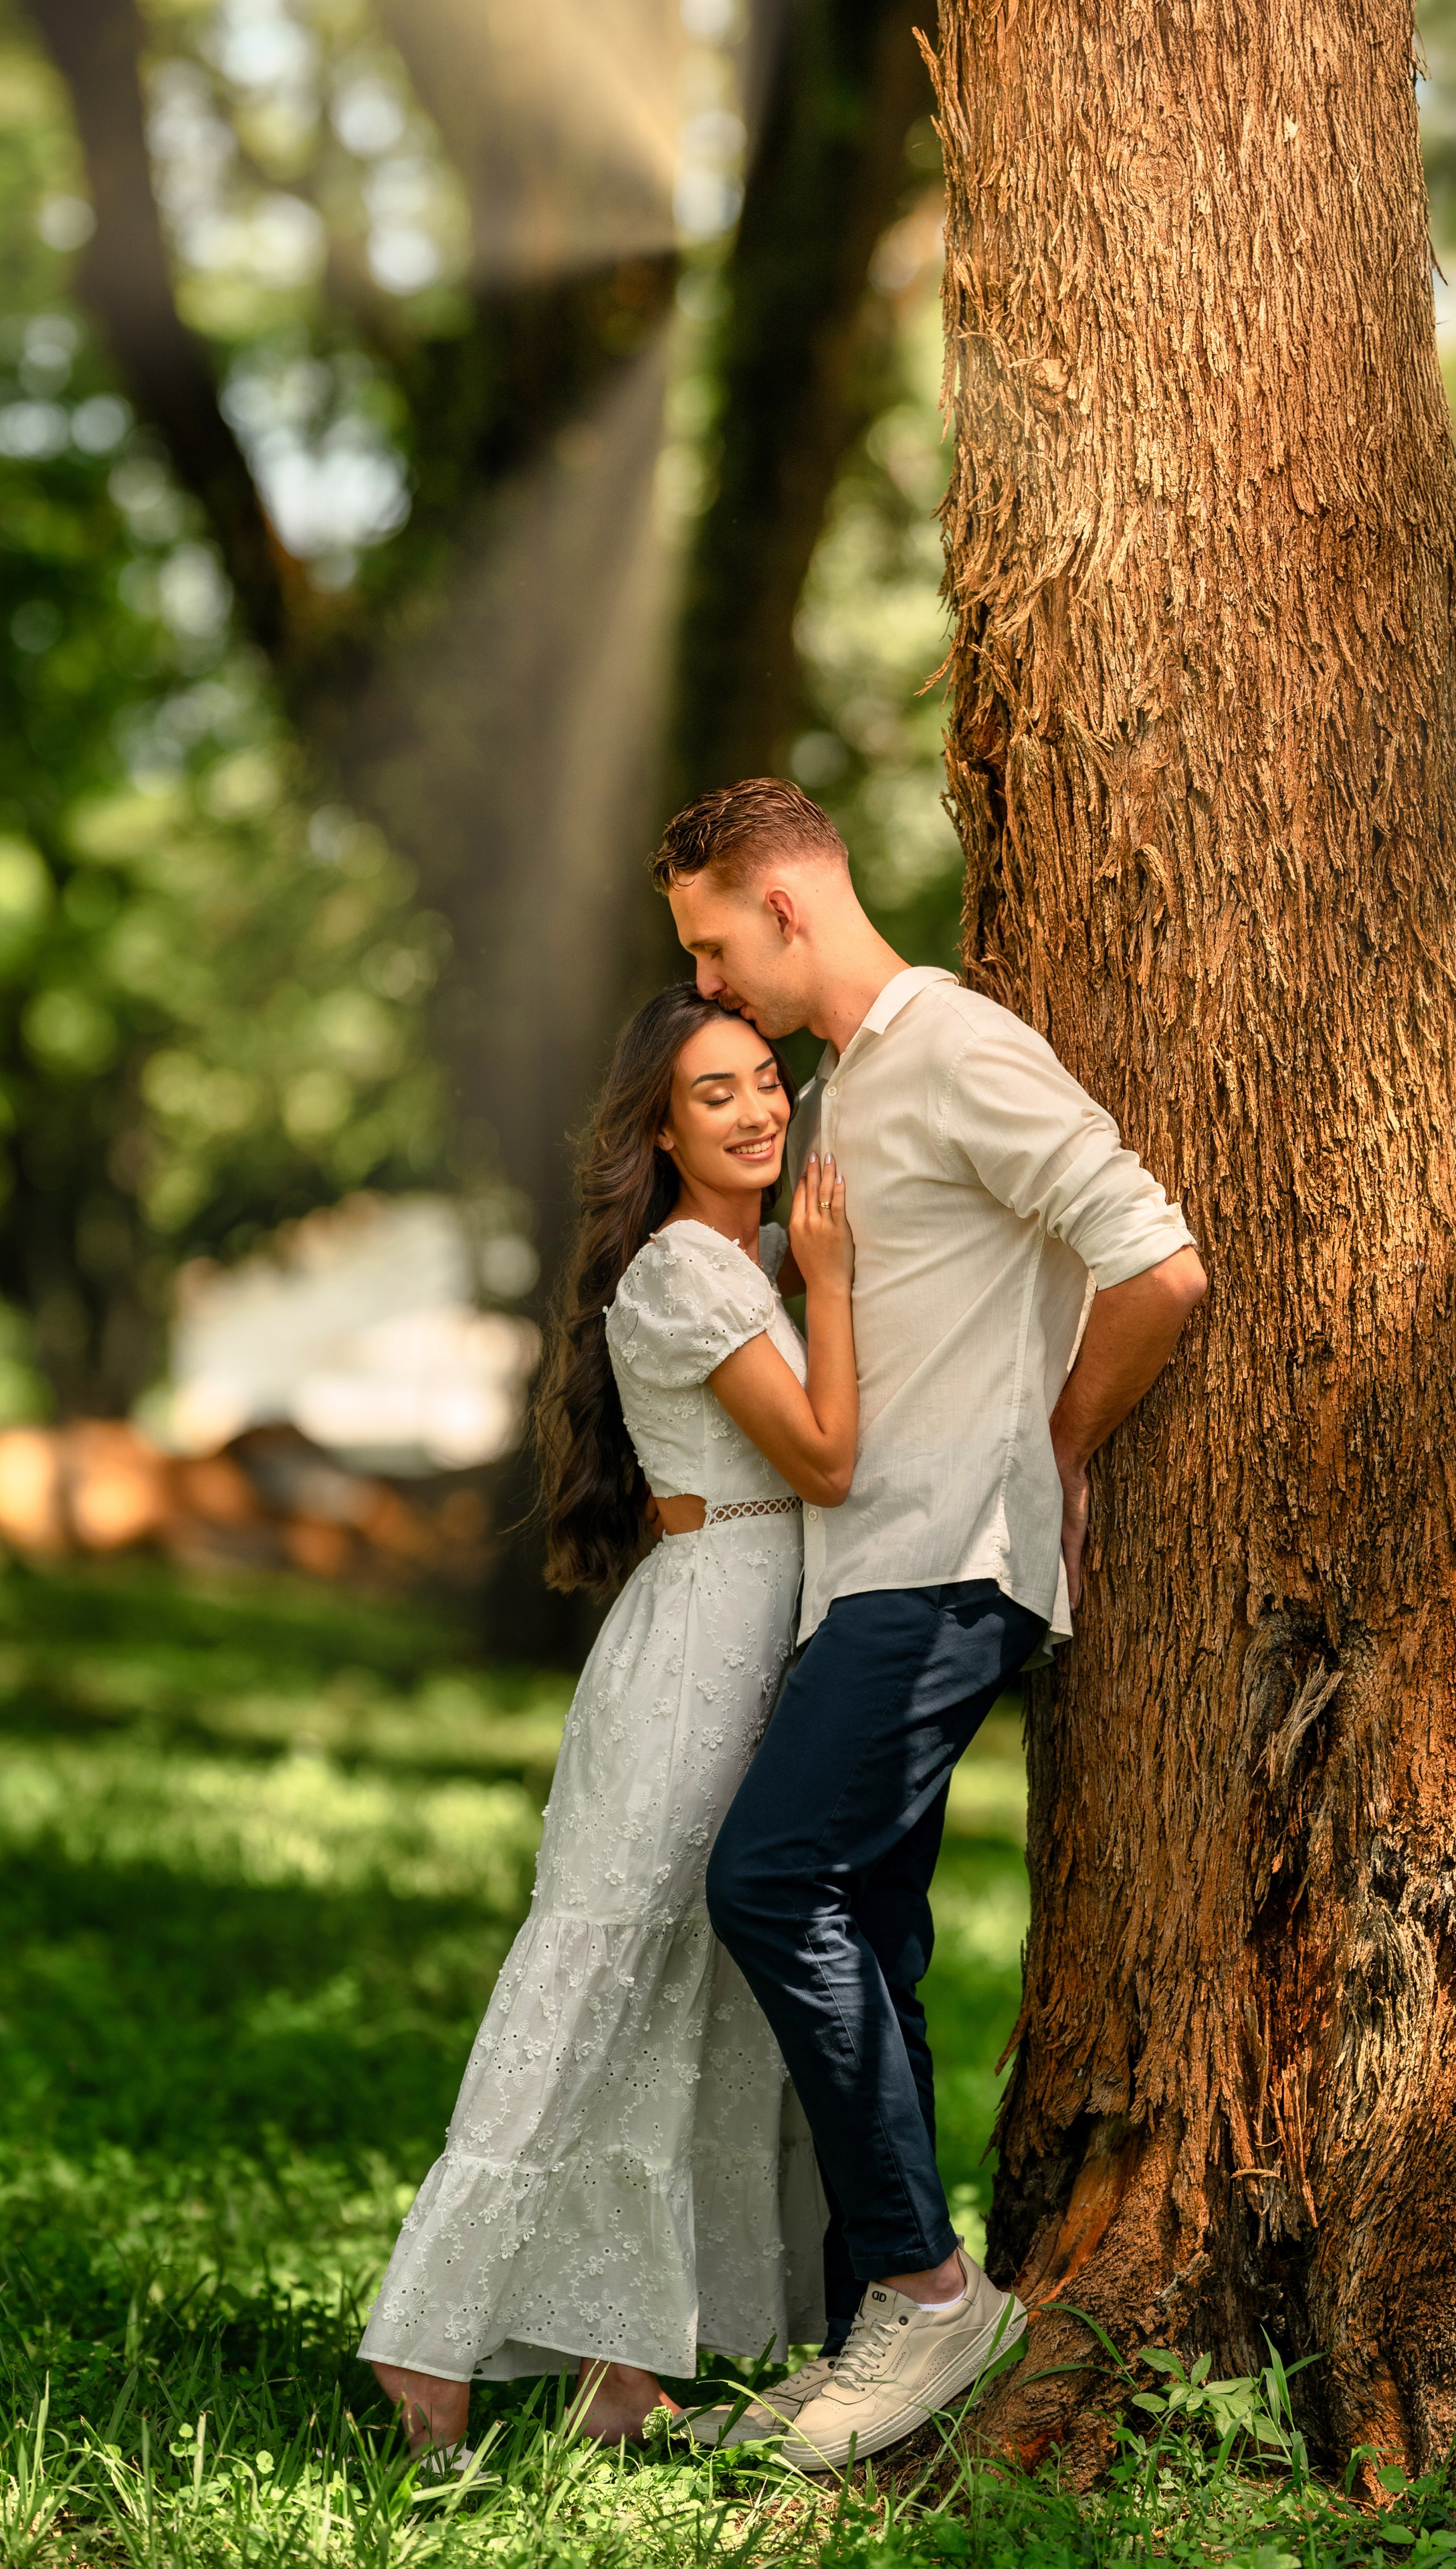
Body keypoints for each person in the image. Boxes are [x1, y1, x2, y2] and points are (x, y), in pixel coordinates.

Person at [657, 777, 1207, 2470]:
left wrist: (1054, 1448)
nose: (706, 983)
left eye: (712, 947)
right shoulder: (836, 1093)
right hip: (861, 1565)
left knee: (769, 1882)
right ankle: (870, 2330)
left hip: (949, 1561)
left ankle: (927, 2290)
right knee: (868, 1933)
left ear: (785, 905)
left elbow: (1156, 1262)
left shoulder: (955, 1045)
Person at [359, 983, 859, 2459]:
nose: (756, 1111)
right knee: (596, 1972)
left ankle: (618, 2360)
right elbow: (826, 1461)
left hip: (761, 1645)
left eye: (765, 1079)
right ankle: (426, 2337)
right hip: (696, 1650)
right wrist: (832, 1285)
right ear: (660, 1131)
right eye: (715, 1094)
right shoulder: (688, 1274)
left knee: (698, 1995)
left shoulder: (752, 1257)